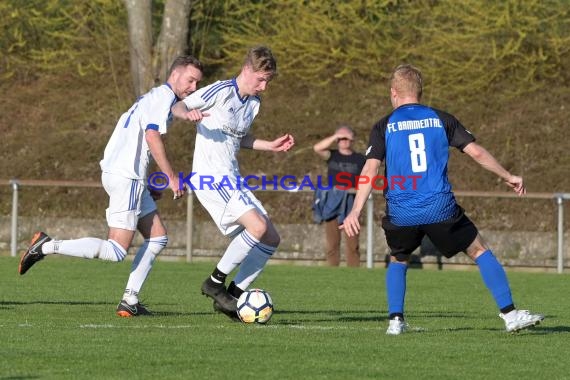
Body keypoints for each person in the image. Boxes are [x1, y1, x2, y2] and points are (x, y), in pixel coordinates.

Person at [342, 64, 544, 335]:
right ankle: (509, 314)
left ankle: (395, 321)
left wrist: (355, 210)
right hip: (439, 207)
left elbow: (370, 169)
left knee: (399, 259)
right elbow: (477, 153)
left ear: (393, 93)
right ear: (420, 92)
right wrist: (507, 175)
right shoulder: (442, 119)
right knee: (479, 250)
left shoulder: (384, 126)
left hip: (401, 211)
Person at [18, 56, 205, 317]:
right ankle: (47, 246)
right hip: (126, 177)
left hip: (127, 176)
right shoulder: (162, 99)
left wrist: (145, 182)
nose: (194, 86)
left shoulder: (155, 97)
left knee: (157, 237)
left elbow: (139, 142)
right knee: (115, 250)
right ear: (175, 75)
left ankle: (130, 299)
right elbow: (151, 137)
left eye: (197, 82)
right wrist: (171, 177)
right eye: (190, 80)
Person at [171, 46, 294, 320]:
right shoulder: (221, 91)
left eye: (268, 81)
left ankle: (235, 296)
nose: (264, 86)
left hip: (231, 177)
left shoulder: (253, 104)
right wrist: (186, 114)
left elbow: (240, 138)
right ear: (247, 70)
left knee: (271, 237)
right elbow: (178, 105)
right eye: (261, 79)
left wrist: (270, 146)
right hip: (211, 176)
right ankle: (215, 284)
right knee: (258, 226)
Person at [312, 126, 366, 267]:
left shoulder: (360, 159)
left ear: (352, 139)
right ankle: (332, 273)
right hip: (332, 202)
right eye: (341, 139)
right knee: (332, 244)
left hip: (351, 203)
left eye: (347, 138)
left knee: (353, 244)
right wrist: (335, 136)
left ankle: (353, 274)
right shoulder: (332, 155)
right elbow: (317, 148)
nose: (344, 141)